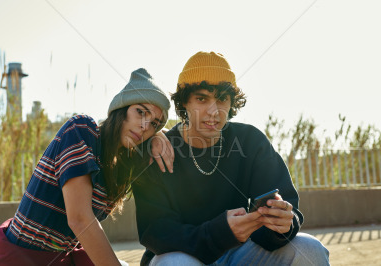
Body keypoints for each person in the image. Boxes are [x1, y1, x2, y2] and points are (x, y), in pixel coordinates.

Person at [133, 52, 330, 265]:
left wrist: (281, 226)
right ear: (184, 103)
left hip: (240, 253)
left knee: (309, 250)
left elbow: (285, 206)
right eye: (201, 98)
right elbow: (155, 231)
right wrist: (219, 233)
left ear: (231, 103)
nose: (213, 111)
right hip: (181, 255)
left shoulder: (249, 140)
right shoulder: (158, 149)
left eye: (222, 99)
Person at [0, 68, 172, 266]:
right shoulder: (82, 130)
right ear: (121, 108)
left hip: (63, 259)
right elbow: (79, 219)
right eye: (141, 112)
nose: (145, 126)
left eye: (154, 123)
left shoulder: (119, 165)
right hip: (21, 258)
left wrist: (160, 135)